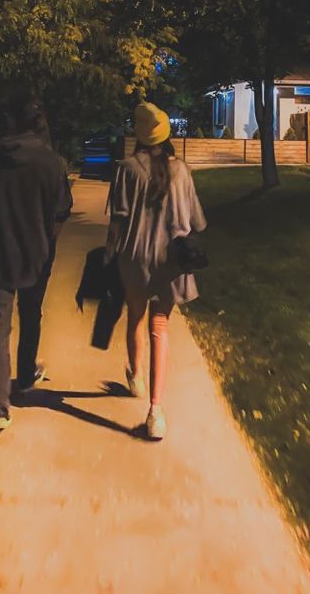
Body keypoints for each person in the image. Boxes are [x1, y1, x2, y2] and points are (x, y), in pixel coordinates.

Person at [0, 92, 73, 433]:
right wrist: (49, 237)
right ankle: (24, 377)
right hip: (36, 252)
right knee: (31, 313)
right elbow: (62, 211)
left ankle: (0, 408)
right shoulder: (51, 162)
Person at [105, 102, 207, 440]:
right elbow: (198, 222)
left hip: (134, 260)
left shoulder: (127, 169)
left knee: (134, 318)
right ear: (166, 136)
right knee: (159, 327)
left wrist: (109, 254)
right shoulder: (182, 171)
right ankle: (156, 410)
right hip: (171, 262)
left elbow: (118, 222)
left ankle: (136, 377)